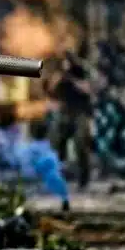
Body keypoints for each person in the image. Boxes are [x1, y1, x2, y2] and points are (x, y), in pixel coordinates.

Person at [47, 45, 95, 191]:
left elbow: (88, 89)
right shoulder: (59, 73)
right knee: (57, 145)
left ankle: (83, 180)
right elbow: (51, 90)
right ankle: (57, 177)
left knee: (81, 145)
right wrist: (59, 78)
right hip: (64, 112)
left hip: (80, 113)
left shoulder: (81, 72)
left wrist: (71, 79)